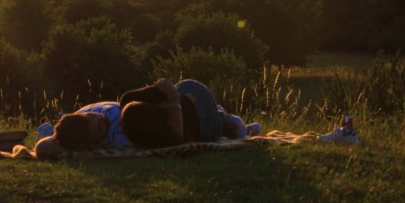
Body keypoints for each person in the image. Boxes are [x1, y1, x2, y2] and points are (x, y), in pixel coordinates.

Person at [120, 78, 260, 148]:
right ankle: (238, 126)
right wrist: (172, 98)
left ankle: (243, 129)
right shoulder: (172, 136)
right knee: (223, 123)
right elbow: (177, 139)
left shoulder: (137, 132)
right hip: (199, 114)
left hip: (203, 126)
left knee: (223, 130)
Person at [34, 100, 133, 159]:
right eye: (99, 129)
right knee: (49, 134)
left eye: (93, 116)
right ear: (93, 143)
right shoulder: (115, 134)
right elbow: (43, 147)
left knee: (47, 132)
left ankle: (46, 131)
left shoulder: (82, 118)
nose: (101, 118)